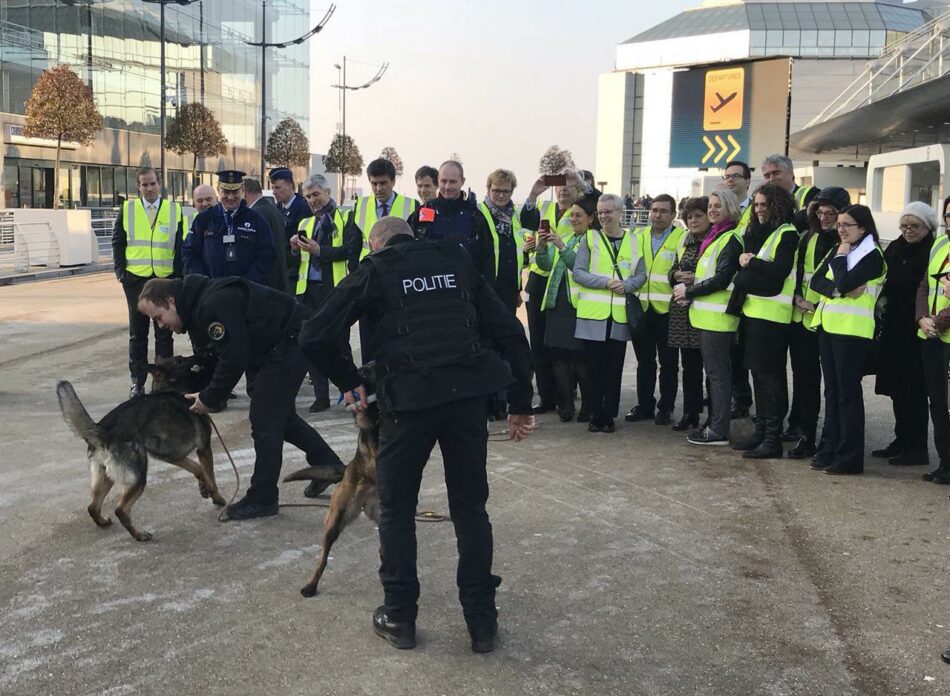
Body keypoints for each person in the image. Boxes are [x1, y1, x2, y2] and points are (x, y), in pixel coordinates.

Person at [298, 216, 535, 653]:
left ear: (376, 244)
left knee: (397, 511)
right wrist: (520, 402)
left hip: (407, 404)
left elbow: (314, 334)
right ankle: (482, 624)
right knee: (470, 511)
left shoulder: (376, 268)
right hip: (466, 399)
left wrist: (352, 382)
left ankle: (400, 618)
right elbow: (509, 330)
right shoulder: (456, 260)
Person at [137, 275, 346, 519]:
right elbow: (217, 355)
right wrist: (202, 391)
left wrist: (210, 398)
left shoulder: (212, 305)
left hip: (291, 339)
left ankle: (263, 498)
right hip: (274, 344)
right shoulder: (196, 307)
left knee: (265, 419)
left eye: (158, 317)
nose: (160, 325)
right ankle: (330, 467)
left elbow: (233, 358)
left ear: (171, 302)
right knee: (281, 417)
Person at [809, 204, 886, 475]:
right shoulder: (841, 248)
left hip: (852, 332)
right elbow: (816, 282)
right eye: (839, 225)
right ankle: (829, 448)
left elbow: (841, 280)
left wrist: (840, 270)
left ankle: (849, 457)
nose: (840, 229)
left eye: (847, 225)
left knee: (847, 396)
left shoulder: (871, 254)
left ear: (863, 227)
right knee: (832, 392)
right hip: (829, 327)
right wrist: (839, 291)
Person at [727, 184, 798, 459]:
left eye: (764, 205)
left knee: (771, 380)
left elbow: (779, 270)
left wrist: (750, 262)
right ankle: (761, 431)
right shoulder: (763, 233)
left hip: (772, 318)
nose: (759, 210)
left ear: (777, 205)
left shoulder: (787, 233)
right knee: (758, 377)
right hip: (754, 314)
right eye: (756, 205)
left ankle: (772, 438)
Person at [573, 194, 647, 433]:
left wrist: (627, 286)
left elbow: (641, 275)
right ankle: (595, 414)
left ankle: (609, 415)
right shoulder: (590, 239)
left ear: (619, 212)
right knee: (594, 369)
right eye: (601, 212)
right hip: (593, 316)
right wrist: (605, 282)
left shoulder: (635, 242)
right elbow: (579, 273)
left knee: (614, 369)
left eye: (609, 211)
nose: (604, 216)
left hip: (619, 318)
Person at [786, 187, 851, 459]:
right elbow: (799, 272)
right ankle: (804, 431)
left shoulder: (845, 243)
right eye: (820, 212)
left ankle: (823, 436)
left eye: (830, 214)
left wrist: (815, 304)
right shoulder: (807, 237)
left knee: (831, 386)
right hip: (801, 317)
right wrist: (798, 298)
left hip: (825, 319)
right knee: (805, 379)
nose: (824, 218)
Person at [520, 169, 591, 414]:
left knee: (569, 348)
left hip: (567, 285)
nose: (563, 189)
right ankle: (547, 396)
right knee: (540, 344)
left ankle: (566, 395)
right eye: (560, 185)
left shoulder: (581, 212)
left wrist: (582, 184)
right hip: (541, 280)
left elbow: (596, 201)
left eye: (570, 185)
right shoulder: (547, 208)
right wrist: (533, 193)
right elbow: (525, 223)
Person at [111, 166, 185, 398]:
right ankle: (138, 382)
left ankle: (162, 381)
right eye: (145, 184)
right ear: (138, 186)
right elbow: (118, 242)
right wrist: (121, 274)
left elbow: (180, 248)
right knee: (138, 333)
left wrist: (178, 278)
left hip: (164, 280)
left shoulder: (174, 210)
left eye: (153, 183)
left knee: (164, 333)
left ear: (159, 183)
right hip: (136, 280)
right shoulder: (128, 209)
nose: (149, 188)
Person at [290, 173, 360, 416]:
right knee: (311, 343)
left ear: (328, 192)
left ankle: (351, 391)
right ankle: (321, 396)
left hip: (335, 291)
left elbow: (351, 250)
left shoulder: (345, 218)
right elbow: (296, 263)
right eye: (308, 196)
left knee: (340, 344)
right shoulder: (306, 224)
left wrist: (321, 250)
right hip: (308, 291)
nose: (312, 200)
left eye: (316, 195)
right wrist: (295, 251)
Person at [677, 189, 743, 445]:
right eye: (711, 206)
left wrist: (689, 290)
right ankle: (715, 426)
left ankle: (718, 430)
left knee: (718, 376)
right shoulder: (716, 237)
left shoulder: (729, 238)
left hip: (719, 320)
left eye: (718, 206)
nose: (713, 210)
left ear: (730, 208)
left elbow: (722, 279)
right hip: (708, 318)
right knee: (716, 375)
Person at [873, 201, 936, 467]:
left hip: (916, 330)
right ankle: (901, 439)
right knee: (897, 389)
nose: (908, 231)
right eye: (904, 226)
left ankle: (916, 447)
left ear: (927, 227)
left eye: (915, 226)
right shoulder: (897, 246)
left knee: (914, 391)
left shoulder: (931, 250)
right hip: (893, 328)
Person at [535, 193, 597, 422]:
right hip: (557, 304)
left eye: (578, 215)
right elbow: (546, 265)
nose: (573, 219)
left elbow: (579, 268)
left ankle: (587, 407)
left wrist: (560, 246)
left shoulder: (594, 240)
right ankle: (566, 405)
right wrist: (541, 248)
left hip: (579, 307)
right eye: (571, 215)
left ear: (591, 218)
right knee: (559, 357)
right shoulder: (569, 237)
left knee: (580, 359)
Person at [625, 194, 685, 425]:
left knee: (669, 363)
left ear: (673, 214)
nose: (657, 215)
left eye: (663, 211)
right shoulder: (637, 236)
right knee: (644, 362)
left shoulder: (681, 237)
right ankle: (644, 405)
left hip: (668, 309)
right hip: (641, 308)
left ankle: (666, 408)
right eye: (654, 210)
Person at [182, 170, 275, 286]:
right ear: (218, 190)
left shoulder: (256, 220)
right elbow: (190, 252)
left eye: (235, 192)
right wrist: (202, 281)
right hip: (210, 291)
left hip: (246, 292)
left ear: (242, 191)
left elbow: (267, 253)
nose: (230, 197)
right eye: (225, 192)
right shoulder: (203, 220)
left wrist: (250, 282)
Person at [916, 196, 950, 485]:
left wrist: (939, 322)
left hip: (945, 334)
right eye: (948, 215)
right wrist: (921, 318)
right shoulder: (940, 243)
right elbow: (925, 283)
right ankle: (945, 463)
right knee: (937, 402)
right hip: (931, 334)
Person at [667, 196, 708, 432]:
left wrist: (695, 279)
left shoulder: (715, 241)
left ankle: (712, 416)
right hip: (683, 312)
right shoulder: (685, 240)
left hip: (706, 311)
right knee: (690, 368)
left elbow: (719, 274)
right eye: (689, 216)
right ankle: (690, 413)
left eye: (698, 215)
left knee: (712, 370)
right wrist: (675, 276)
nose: (693, 220)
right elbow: (672, 268)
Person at [475, 168, 525, 313]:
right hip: (485, 289)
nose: (501, 195)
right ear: (488, 189)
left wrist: (517, 289)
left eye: (506, 191)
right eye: (496, 190)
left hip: (509, 290)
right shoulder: (477, 213)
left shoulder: (515, 215)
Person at [352, 158, 419, 260]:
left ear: (393, 182)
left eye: (383, 183)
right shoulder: (360, 205)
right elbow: (355, 245)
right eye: (374, 184)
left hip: (399, 264)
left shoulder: (411, 205)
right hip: (369, 266)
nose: (378, 188)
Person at [408, 160, 478, 256]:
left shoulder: (474, 214)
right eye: (443, 181)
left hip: (465, 270)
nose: (447, 187)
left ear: (462, 181)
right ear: (438, 180)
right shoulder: (424, 211)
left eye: (453, 182)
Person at [244, 176, 291, 294]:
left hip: (265, 282)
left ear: (244, 191)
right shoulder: (272, 208)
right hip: (278, 277)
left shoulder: (256, 213)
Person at [269, 167, 312, 288]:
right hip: (281, 269)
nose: (274, 192)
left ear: (290, 186)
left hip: (296, 271)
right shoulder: (276, 209)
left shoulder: (303, 208)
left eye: (277, 187)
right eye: (272, 188)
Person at [760, 154, 819, 228]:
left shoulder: (811, 194)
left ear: (791, 173)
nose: (771, 179)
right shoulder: (761, 201)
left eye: (776, 173)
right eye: (767, 176)